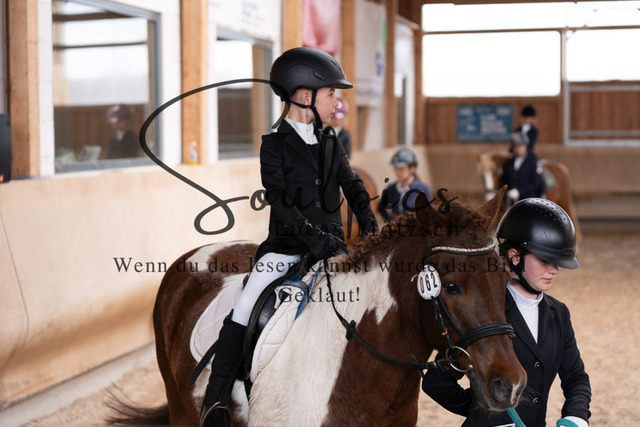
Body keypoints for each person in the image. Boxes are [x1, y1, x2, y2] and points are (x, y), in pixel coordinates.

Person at [199, 47, 379, 427]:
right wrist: (312, 237)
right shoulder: (274, 144)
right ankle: (215, 401)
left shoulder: (330, 140)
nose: (336, 102)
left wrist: (370, 225)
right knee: (246, 305)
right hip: (286, 249)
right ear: (304, 96)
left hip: (333, 249)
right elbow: (279, 199)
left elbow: (351, 185)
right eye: (331, 93)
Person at [422, 198, 591, 427]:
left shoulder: (559, 313)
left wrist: (575, 417)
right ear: (515, 257)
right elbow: (436, 383)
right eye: (545, 260)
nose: (555, 270)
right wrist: (484, 409)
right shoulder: (486, 310)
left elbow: (576, 378)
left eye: (557, 263)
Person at [377, 147, 432, 221]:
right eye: (396, 168)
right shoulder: (391, 188)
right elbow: (380, 207)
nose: (397, 173)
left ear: (412, 168)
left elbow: (430, 213)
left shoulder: (423, 188)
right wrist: (390, 220)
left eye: (401, 169)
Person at [502, 137, 543, 206]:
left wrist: (519, 191)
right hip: (511, 200)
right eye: (516, 146)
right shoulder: (509, 162)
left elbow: (536, 183)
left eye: (521, 146)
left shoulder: (532, 161)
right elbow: (505, 179)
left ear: (525, 147)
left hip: (528, 200)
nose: (518, 148)